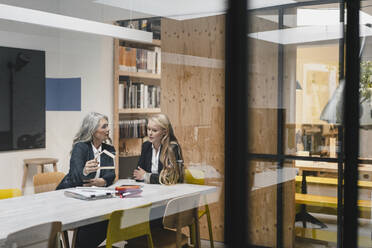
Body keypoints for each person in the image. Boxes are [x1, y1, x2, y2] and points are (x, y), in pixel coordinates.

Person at [56, 112, 115, 248]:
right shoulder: (80, 147)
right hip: (70, 195)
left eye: (108, 126)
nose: (108, 129)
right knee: (92, 223)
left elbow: (111, 174)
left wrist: (103, 182)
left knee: (105, 219)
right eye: (104, 127)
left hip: (94, 198)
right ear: (93, 131)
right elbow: (76, 177)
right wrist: (85, 171)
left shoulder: (109, 149)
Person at [133, 113, 184, 184]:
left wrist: (146, 176)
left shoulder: (172, 147)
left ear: (164, 132)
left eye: (154, 130)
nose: (150, 133)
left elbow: (170, 178)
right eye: (148, 129)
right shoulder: (146, 146)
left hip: (170, 191)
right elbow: (137, 174)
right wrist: (151, 177)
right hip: (151, 189)